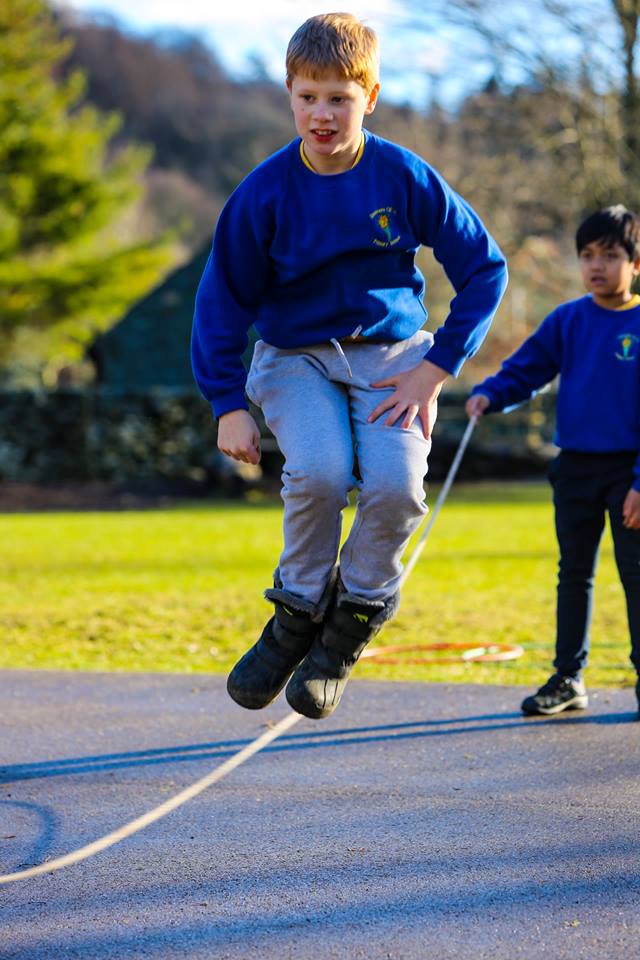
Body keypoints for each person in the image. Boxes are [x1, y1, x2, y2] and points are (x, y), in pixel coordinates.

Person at [192, 12, 507, 720]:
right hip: (295, 356)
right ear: (289, 95)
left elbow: (485, 269)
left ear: (370, 94)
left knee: (397, 489)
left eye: (339, 97)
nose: (323, 114)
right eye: (309, 97)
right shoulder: (264, 191)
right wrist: (226, 402)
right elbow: (220, 303)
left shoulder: (402, 175)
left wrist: (437, 368)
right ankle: (296, 614)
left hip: (392, 358)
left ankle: (351, 621)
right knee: (322, 473)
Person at [466, 205, 640, 719]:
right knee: (574, 575)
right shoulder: (567, 320)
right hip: (576, 469)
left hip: (630, 474)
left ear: (635, 262)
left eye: (610, 256)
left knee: (636, 577)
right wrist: (489, 395)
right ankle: (568, 678)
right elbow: (527, 369)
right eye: (587, 256)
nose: (596, 266)